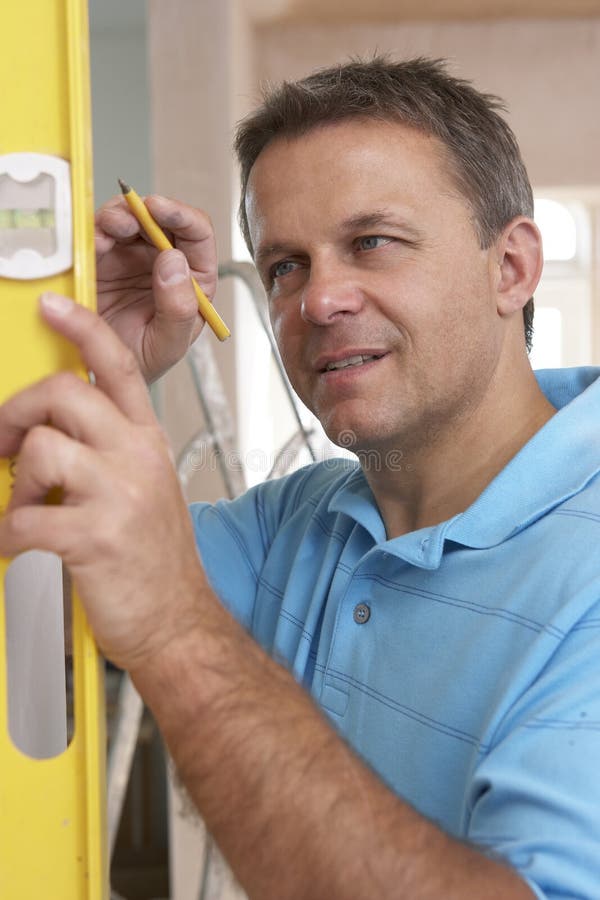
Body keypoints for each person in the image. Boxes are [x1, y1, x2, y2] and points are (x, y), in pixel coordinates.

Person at [1, 56, 599, 899]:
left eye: (371, 243)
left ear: (512, 269)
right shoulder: (299, 526)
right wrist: (81, 366)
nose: (319, 302)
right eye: (285, 265)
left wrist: (177, 631)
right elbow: (28, 576)